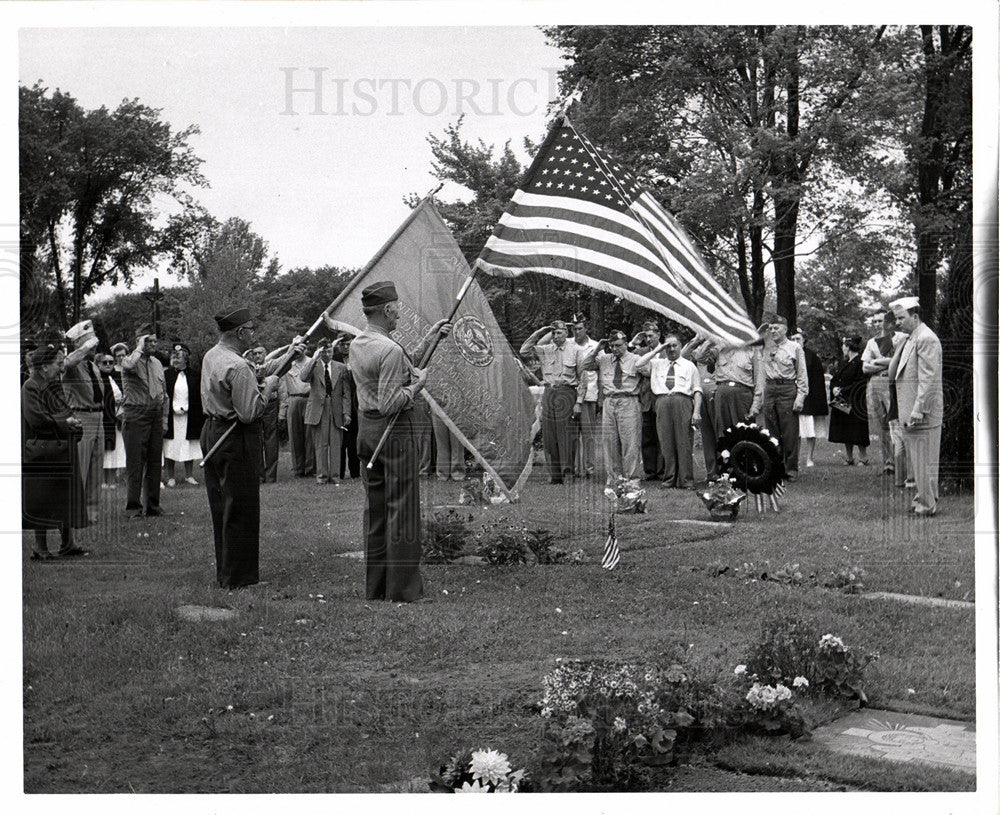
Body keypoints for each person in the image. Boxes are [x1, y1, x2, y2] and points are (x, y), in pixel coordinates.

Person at [348, 281, 450, 603]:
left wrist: (430, 338)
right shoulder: (389, 349)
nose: (399, 315)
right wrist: (418, 387)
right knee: (403, 510)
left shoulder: (360, 343)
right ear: (388, 309)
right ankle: (404, 590)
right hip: (394, 433)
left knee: (376, 510)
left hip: (367, 432)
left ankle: (377, 587)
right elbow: (393, 399)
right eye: (398, 309)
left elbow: (400, 367)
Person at [200, 308, 284, 589]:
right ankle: (240, 578)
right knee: (243, 506)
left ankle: (226, 571)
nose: (253, 335)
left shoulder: (212, 355)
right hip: (236, 438)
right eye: (250, 329)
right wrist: (269, 386)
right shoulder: (239, 365)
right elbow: (250, 412)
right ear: (239, 333)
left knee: (222, 506)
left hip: (213, 431)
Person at [22, 344, 89, 560]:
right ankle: (40, 547)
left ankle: (67, 543)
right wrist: (66, 422)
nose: (61, 368)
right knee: (41, 498)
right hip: (42, 450)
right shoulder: (30, 387)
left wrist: (75, 424)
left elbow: (66, 411)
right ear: (43, 366)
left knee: (65, 496)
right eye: (58, 364)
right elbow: (36, 419)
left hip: (62, 448)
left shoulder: (55, 386)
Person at [888, 296, 943, 516]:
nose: (898, 323)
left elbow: (929, 379)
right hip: (912, 412)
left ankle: (926, 506)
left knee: (925, 461)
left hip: (923, 413)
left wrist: (919, 410)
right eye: (896, 318)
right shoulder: (912, 338)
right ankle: (924, 500)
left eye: (901, 318)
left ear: (915, 316)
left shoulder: (926, 339)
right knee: (921, 462)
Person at [520, 320, 584, 484]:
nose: (556, 336)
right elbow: (524, 350)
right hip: (549, 391)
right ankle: (554, 474)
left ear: (566, 333)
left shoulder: (576, 350)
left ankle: (568, 472)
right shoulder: (545, 350)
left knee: (566, 435)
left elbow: (583, 379)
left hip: (567, 391)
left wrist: (579, 402)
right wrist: (540, 331)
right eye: (554, 333)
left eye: (559, 332)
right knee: (549, 435)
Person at [636, 334, 703, 488]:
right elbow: (638, 364)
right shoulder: (657, 363)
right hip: (662, 402)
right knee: (665, 442)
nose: (672, 349)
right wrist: (658, 349)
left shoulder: (689, 365)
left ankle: (686, 480)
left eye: (675, 345)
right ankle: (669, 478)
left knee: (684, 441)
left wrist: (696, 412)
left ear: (680, 346)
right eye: (668, 346)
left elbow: (697, 390)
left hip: (682, 401)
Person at [579, 330, 644, 484]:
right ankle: (614, 478)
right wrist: (597, 349)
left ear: (626, 343)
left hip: (628, 400)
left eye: (619, 345)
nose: (615, 349)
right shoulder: (604, 359)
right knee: (609, 441)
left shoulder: (636, 359)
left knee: (630, 442)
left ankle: (632, 478)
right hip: (609, 402)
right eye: (612, 346)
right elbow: (585, 365)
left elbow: (648, 372)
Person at [120, 324, 168, 517]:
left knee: (155, 461)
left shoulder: (156, 363)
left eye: (155, 341)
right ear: (139, 341)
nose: (153, 344)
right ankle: (133, 507)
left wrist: (164, 418)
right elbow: (129, 365)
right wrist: (139, 347)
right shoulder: (129, 359)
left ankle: (153, 506)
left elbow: (164, 392)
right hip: (136, 414)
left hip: (155, 414)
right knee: (135, 462)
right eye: (149, 340)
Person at [61, 320, 105, 524]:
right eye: (89, 340)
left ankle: (91, 513)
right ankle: (76, 512)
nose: (94, 344)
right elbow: (66, 363)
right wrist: (84, 347)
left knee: (96, 468)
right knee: (81, 466)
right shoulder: (73, 365)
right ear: (79, 342)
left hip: (97, 416)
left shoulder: (92, 366)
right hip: (81, 417)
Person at [299, 336, 352, 485]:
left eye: (329, 351)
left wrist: (346, 412)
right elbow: (303, 377)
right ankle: (321, 477)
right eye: (324, 352)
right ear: (319, 353)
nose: (327, 355)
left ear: (332, 351)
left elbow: (346, 393)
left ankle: (335, 476)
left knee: (336, 444)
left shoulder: (340, 367)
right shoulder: (313, 366)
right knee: (321, 444)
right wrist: (314, 358)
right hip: (318, 409)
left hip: (335, 408)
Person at [761, 315, 808, 480]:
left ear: (785, 329)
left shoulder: (794, 347)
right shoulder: (765, 346)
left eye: (776, 328)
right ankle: (776, 467)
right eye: (771, 328)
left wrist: (801, 397)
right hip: (770, 388)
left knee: (789, 432)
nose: (773, 331)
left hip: (787, 388)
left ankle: (791, 469)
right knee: (771, 431)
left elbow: (802, 374)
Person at [862, 310, 908, 476]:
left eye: (879, 321)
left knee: (895, 421)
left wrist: (877, 361)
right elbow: (865, 367)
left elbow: (899, 361)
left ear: (889, 322)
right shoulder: (872, 342)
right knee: (881, 425)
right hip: (875, 382)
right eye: (874, 321)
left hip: (892, 381)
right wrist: (886, 363)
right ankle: (888, 463)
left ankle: (901, 462)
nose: (876, 324)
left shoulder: (901, 338)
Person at [163, 342, 204, 486]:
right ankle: (170, 477)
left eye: (178, 357)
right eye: (173, 357)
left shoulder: (195, 375)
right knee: (170, 445)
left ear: (186, 358)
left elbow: (197, 396)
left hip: (189, 416)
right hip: (171, 417)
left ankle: (189, 475)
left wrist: (188, 408)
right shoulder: (166, 375)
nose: (175, 360)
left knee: (188, 444)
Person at [630, 320, 664, 480]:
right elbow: (627, 356)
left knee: (662, 435)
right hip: (645, 400)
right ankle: (650, 471)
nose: (648, 339)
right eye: (646, 337)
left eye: (651, 336)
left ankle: (663, 470)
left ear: (658, 335)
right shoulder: (641, 351)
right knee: (647, 436)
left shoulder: (667, 351)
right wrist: (633, 342)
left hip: (662, 398)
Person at [828, 336, 870, 465]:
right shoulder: (845, 363)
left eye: (843, 346)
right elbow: (835, 379)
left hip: (855, 401)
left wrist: (842, 390)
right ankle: (849, 457)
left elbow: (860, 382)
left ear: (848, 347)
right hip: (843, 402)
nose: (842, 349)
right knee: (846, 430)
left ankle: (863, 457)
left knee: (858, 430)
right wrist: (834, 388)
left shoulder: (860, 362)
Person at [791, 330, 829, 468]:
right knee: (795, 432)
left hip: (808, 399)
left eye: (798, 339)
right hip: (791, 396)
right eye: (793, 339)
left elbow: (817, 381)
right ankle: (794, 459)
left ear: (804, 340)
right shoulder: (788, 353)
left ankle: (809, 458)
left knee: (808, 431)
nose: (795, 341)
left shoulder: (812, 357)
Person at [682, 334, 718, 480]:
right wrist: (698, 340)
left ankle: (726, 471)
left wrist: (712, 338)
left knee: (721, 432)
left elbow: (702, 356)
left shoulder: (723, 345)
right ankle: (712, 473)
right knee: (707, 435)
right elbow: (684, 356)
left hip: (717, 391)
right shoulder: (700, 348)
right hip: (701, 393)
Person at [278, 343, 316, 478]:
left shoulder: (312, 361)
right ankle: (298, 469)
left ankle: (310, 468)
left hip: (309, 398)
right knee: (295, 435)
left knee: (310, 435)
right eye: (296, 349)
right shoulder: (288, 363)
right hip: (293, 399)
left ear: (306, 349)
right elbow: (282, 387)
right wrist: (283, 410)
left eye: (302, 348)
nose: (299, 351)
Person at [711, 339, 764, 434]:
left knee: (743, 433)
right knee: (723, 435)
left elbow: (759, 380)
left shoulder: (752, 350)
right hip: (721, 395)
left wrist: (755, 406)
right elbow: (700, 357)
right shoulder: (719, 348)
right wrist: (710, 339)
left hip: (742, 397)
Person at [571, 315, 600, 479]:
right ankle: (574, 468)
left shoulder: (595, 346)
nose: (577, 331)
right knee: (573, 434)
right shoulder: (568, 344)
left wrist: (600, 397)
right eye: (574, 328)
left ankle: (589, 469)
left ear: (586, 328)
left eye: (580, 328)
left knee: (588, 434)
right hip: (570, 395)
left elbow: (602, 371)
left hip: (589, 395)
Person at [96, 352, 125, 487]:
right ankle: (102, 480)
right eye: (104, 362)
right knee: (104, 449)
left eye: (111, 362)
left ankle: (112, 480)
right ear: (98, 364)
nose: (108, 365)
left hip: (118, 418)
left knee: (115, 450)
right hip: (104, 418)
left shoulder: (118, 377)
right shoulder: (97, 379)